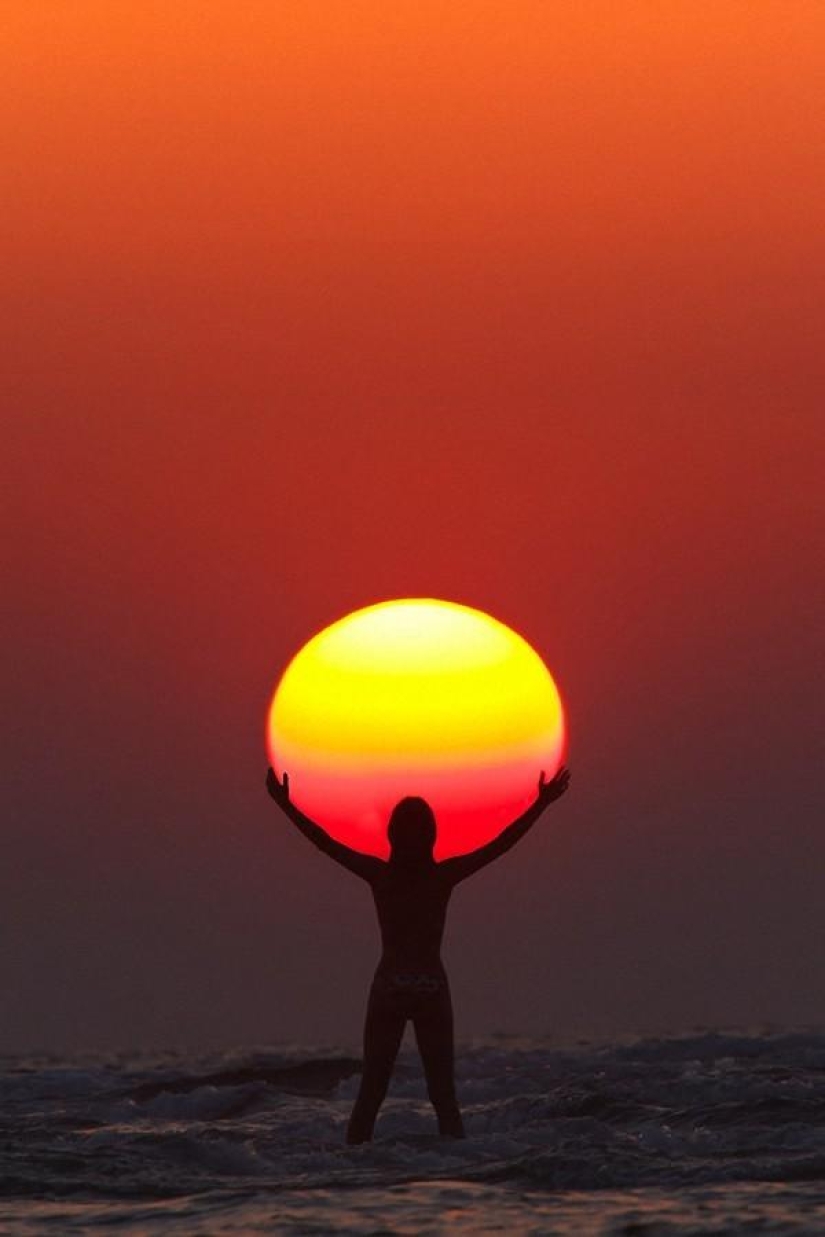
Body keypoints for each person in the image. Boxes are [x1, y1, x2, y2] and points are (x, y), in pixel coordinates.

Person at [265, 764, 571, 1143]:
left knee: (371, 1096)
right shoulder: (442, 877)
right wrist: (540, 805)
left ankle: (351, 1175)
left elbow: (324, 841)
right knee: (444, 1098)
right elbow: (500, 843)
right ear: (431, 835)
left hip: (390, 986)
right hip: (431, 987)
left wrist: (286, 805)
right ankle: (457, 1175)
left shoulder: (381, 875)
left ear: (392, 834)